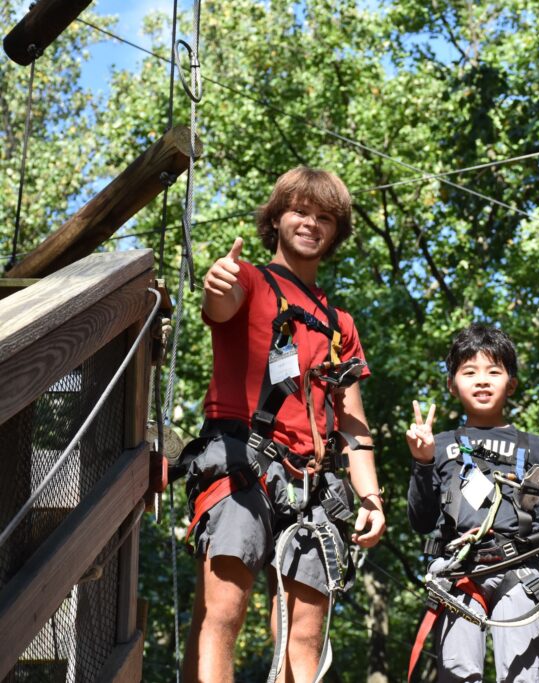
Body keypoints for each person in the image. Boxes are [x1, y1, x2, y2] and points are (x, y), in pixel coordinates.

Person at [182, 166, 386, 683]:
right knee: (222, 613)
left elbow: (353, 421)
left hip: (314, 482)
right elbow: (220, 306)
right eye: (299, 211)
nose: (310, 223)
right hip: (242, 463)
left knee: (304, 635)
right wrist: (217, 283)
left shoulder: (341, 324)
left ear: (336, 232)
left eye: (324, 217)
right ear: (275, 218)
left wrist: (371, 498)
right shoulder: (247, 279)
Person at [405, 324, 539, 683]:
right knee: (459, 675)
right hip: (462, 572)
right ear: (452, 384)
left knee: (522, 677)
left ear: (510, 383)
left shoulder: (534, 446)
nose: (482, 380)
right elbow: (421, 520)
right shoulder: (441, 444)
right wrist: (422, 462)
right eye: (469, 372)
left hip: (520, 569)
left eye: (493, 371)